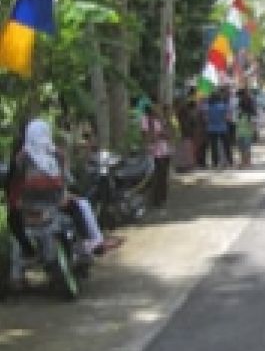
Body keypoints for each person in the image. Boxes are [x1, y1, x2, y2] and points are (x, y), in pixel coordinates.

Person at [7, 119, 119, 258]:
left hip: (29, 207)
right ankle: (90, 242)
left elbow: (14, 186)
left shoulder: (20, 158)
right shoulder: (55, 154)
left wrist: (16, 203)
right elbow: (64, 180)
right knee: (80, 205)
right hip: (54, 203)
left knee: (15, 225)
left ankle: (27, 258)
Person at [141, 98, 174, 208]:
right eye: (156, 106)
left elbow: (169, 134)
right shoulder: (146, 120)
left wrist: (164, 128)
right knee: (155, 176)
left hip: (165, 150)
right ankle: (155, 199)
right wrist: (158, 135)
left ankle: (162, 198)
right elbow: (147, 137)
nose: (158, 109)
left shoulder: (162, 119)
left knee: (163, 176)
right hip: (153, 152)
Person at [205, 90, 231, 169]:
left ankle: (215, 162)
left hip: (211, 128)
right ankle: (229, 160)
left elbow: (206, 119)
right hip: (223, 127)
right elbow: (227, 118)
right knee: (226, 145)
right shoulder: (223, 106)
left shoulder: (208, 107)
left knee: (213, 146)